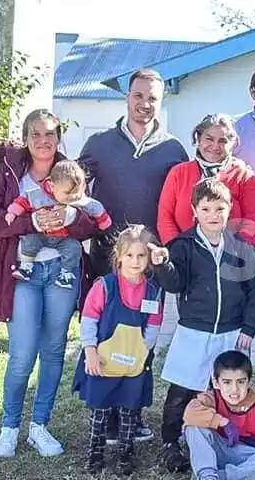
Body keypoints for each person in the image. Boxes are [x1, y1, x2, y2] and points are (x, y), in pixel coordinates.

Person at [0, 108, 100, 458]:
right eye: (36, 134)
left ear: (59, 137)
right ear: (26, 138)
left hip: (61, 272)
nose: (44, 141)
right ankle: (9, 428)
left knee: (54, 351)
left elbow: (92, 224)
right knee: (22, 354)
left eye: (50, 134)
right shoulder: (9, 170)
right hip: (22, 272)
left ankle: (39, 426)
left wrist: (71, 216)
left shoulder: (70, 172)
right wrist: (31, 222)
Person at [79, 67, 189, 443]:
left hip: (151, 265)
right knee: (108, 332)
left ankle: (134, 412)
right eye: (138, 96)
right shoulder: (98, 144)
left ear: (161, 101)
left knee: (144, 337)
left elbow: (182, 203)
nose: (145, 104)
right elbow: (77, 195)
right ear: (127, 96)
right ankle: (105, 413)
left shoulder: (174, 149)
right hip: (107, 262)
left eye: (152, 98)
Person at [150, 178, 255, 473]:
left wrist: (249, 328)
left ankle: (220, 437)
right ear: (194, 211)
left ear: (229, 210)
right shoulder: (183, 246)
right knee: (182, 390)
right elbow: (175, 284)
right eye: (206, 209)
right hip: (194, 331)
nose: (213, 215)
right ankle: (170, 442)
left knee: (226, 389)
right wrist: (163, 265)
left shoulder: (241, 249)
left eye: (219, 208)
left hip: (231, 331)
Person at [71, 225, 163, 475]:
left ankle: (126, 452)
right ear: (119, 256)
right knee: (100, 410)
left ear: (149, 258)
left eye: (141, 255)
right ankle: (95, 453)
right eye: (130, 255)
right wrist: (89, 349)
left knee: (129, 410)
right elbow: (89, 318)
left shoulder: (153, 292)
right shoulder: (105, 286)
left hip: (134, 363)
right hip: (102, 360)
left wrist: (143, 350)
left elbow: (153, 325)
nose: (135, 261)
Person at [182, 350, 255, 480]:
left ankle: (212, 479)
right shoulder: (212, 397)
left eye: (241, 382)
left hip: (243, 454)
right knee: (193, 426)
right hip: (215, 448)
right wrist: (222, 422)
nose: (234, 390)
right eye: (227, 382)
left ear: (250, 381)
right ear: (216, 382)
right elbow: (189, 413)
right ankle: (208, 477)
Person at [157, 113, 255, 247]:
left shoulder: (243, 175)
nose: (215, 146)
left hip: (230, 258)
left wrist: (236, 252)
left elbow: (253, 221)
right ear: (199, 139)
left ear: (232, 143)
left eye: (222, 141)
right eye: (209, 139)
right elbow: (165, 218)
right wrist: (177, 250)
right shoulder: (178, 173)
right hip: (184, 258)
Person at [6, 159, 112, 288]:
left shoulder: (81, 200)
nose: (73, 197)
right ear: (52, 186)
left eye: (76, 193)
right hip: (41, 235)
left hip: (64, 238)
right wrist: (12, 212)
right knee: (29, 239)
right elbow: (22, 201)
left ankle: (66, 274)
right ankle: (26, 266)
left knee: (74, 247)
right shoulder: (38, 195)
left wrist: (104, 222)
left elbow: (97, 209)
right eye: (67, 193)